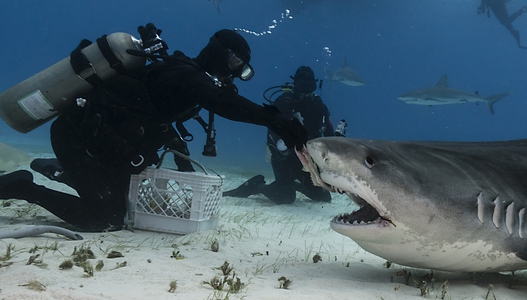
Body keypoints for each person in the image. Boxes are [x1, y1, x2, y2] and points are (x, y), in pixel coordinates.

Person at [0, 29, 309, 231]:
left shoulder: (182, 72)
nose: (235, 73)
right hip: (77, 137)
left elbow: (149, 113)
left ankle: (60, 171)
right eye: (236, 64)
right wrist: (276, 121)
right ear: (221, 55)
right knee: (106, 219)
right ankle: (23, 187)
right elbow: (223, 103)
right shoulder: (187, 76)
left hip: (100, 144)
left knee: (121, 202)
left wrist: (175, 142)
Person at [224, 65, 344, 204]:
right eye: (302, 85)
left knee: (323, 196)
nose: (305, 90)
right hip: (284, 160)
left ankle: (293, 185)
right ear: (294, 85)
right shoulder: (283, 103)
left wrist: (338, 142)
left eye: (309, 85)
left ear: (315, 86)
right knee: (285, 197)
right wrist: (280, 152)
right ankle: (258, 185)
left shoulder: (320, 107)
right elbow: (271, 132)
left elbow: (328, 134)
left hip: (306, 160)